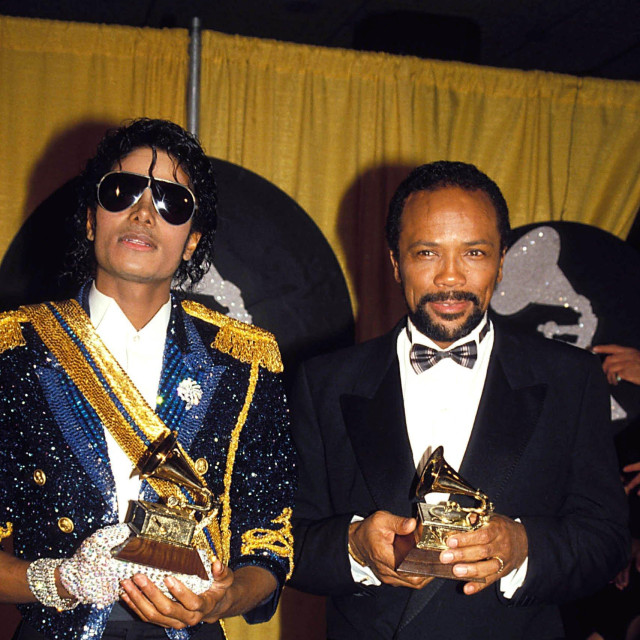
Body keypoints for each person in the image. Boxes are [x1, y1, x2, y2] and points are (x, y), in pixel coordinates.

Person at [288, 161, 629, 639]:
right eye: (427, 252)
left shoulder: (570, 379)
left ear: (502, 260)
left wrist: (523, 546)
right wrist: (353, 548)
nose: (450, 278)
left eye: (473, 252)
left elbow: (607, 541)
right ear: (395, 261)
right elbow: (281, 541)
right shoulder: (322, 381)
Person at [0, 118, 295, 640]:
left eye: (171, 202)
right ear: (91, 218)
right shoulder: (15, 349)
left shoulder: (244, 359)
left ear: (192, 239)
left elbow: (269, 544)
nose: (142, 213)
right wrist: (62, 580)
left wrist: (224, 598)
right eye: (122, 191)